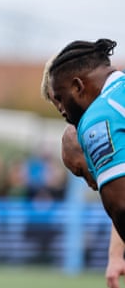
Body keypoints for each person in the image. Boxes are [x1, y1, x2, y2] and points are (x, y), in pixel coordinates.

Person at [42, 47, 125, 288]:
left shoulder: (98, 118)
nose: (61, 109)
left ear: (77, 87)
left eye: (59, 97)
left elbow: (120, 204)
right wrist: (115, 255)